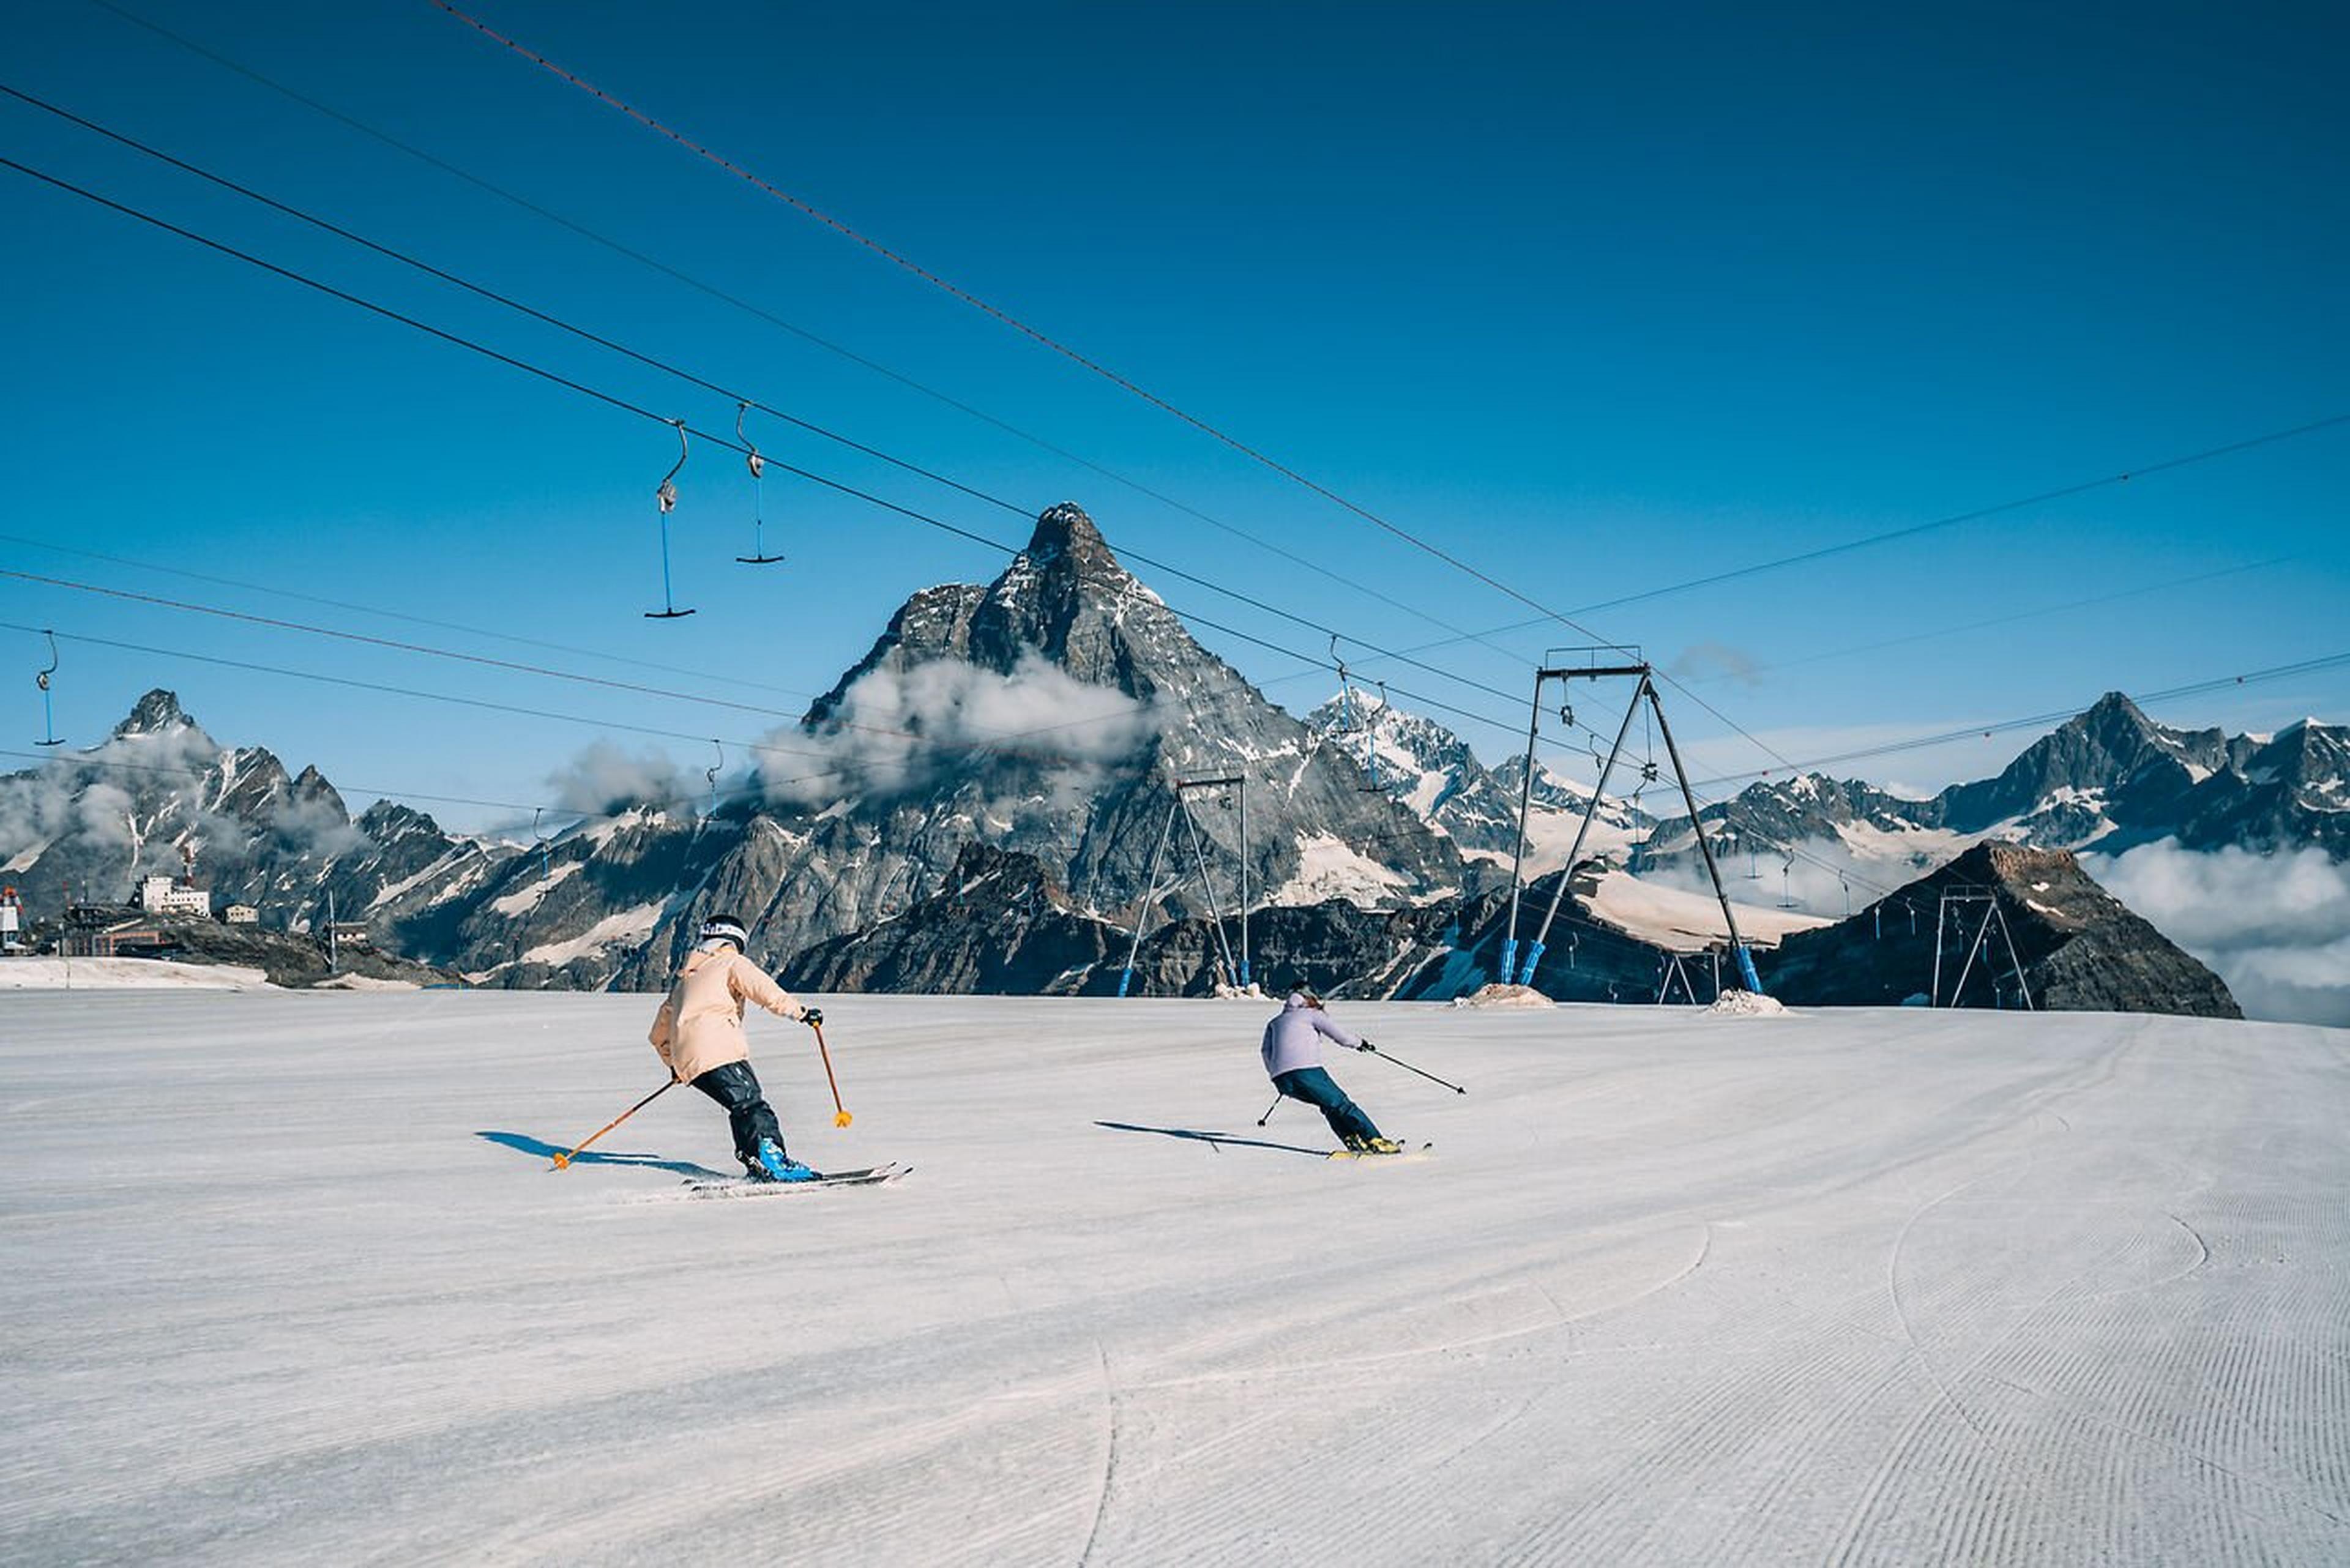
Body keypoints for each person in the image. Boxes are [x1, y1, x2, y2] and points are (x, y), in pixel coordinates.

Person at [649, 914, 824, 1182]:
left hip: (690, 1061)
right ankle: (774, 1164)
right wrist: (801, 1013)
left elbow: (659, 1032)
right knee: (751, 1104)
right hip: (716, 1050)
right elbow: (764, 990)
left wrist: (676, 1064)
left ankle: (757, 1163)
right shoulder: (731, 962)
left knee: (741, 1107)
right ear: (736, 940)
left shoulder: (686, 979)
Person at [1261, 988, 1402, 1155]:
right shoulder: (1311, 1014)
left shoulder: (1275, 1022)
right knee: (1342, 1105)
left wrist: (1277, 1073)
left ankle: (1352, 1140)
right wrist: (1360, 1044)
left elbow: (1265, 1051)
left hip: (1281, 1080)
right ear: (1310, 1001)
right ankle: (1375, 1140)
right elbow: (1341, 1037)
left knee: (1328, 1106)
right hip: (1307, 1072)